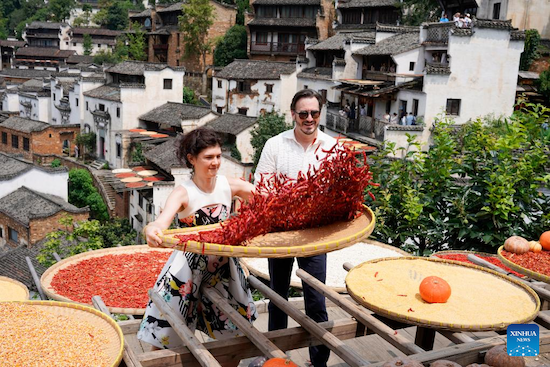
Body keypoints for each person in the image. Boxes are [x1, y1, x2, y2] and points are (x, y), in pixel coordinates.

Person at [138, 128, 257, 350]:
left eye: (218, 156)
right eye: (209, 157)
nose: (215, 162)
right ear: (192, 159)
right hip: (188, 267)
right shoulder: (184, 193)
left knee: (236, 330)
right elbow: (161, 222)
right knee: (165, 333)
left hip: (222, 264)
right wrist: (151, 230)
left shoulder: (229, 185)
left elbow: (265, 199)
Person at [254, 89, 336, 367]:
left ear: (320, 114)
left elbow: (335, 191)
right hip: (280, 233)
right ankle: (277, 358)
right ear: (293, 115)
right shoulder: (275, 145)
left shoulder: (331, 146)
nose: (309, 118)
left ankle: (319, 362)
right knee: (278, 295)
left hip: (314, 235)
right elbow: (262, 188)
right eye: (303, 113)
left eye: (314, 113)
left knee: (316, 298)